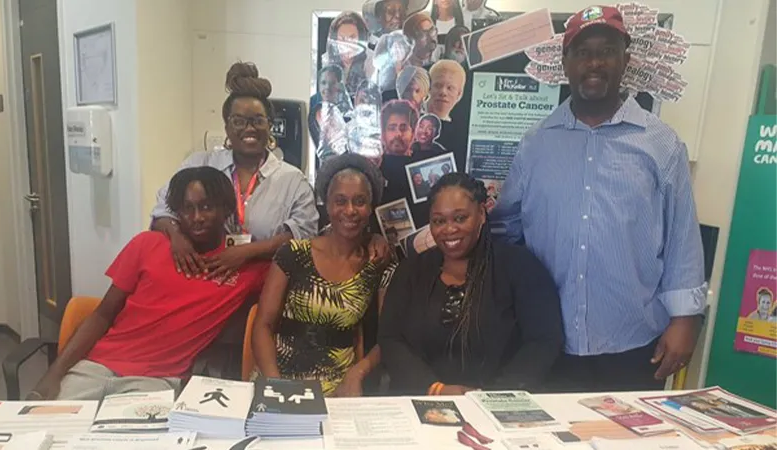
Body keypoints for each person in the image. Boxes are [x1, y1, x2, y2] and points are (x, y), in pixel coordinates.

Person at [490, 6, 706, 392]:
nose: (594, 62)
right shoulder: (535, 144)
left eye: (606, 50)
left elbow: (681, 238)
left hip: (635, 343)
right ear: (566, 62)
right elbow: (506, 230)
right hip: (545, 344)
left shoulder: (660, 143)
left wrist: (685, 320)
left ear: (626, 57)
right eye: (582, 51)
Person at [28, 167, 272, 401]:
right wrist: (53, 374)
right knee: (49, 430)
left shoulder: (246, 269)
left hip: (156, 381)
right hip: (97, 368)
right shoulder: (147, 244)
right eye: (187, 209)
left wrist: (252, 250)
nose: (196, 218)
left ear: (226, 209)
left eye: (206, 207)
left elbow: (296, 250)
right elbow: (103, 314)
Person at [379, 173, 563, 395]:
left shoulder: (520, 267)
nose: (449, 229)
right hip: (423, 403)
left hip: (500, 407)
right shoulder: (411, 271)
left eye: (460, 218)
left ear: (481, 215)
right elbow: (391, 339)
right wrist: (436, 390)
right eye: (439, 221)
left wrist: (494, 398)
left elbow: (543, 341)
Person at [151, 62, 319, 281]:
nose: (249, 128)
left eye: (258, 121)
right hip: (203, 277)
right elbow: (162, 211)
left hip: (264, 284)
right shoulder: (199, 165)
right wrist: (176, 236)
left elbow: (303, 236)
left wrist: (247, 251)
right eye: (238, 121)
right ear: (227, 127)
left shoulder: (293, 181)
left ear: (269, 125)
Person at [251, 154, 396, 396]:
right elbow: (263, 325)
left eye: (359, 201)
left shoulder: (378, 265)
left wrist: (357, 372)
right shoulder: (293, 254)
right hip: (277, 378)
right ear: (327, 205)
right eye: (340, 201)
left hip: (336, 388)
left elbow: (390, 337)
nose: (349, 210)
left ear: (370, 207)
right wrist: (277, 387)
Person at [323, 12, 371, 95]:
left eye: (352, 38)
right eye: (342, 38)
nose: (347, 44)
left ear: (361, 39)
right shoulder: (326, 61)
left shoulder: (371, 61)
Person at [363, 0, 429, 43]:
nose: (398, 16)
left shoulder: (413, 46)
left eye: (402, 10)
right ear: (377, 17)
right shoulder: (364, 55)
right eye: (390, 11)